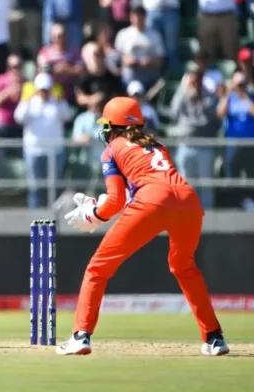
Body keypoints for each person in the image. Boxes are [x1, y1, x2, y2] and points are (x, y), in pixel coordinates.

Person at [61, 97, 227, 356]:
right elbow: (140, 186)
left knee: (97, 269)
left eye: (106, 126)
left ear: (113, 127)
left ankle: (81, 336)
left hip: (153, 202)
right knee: (183, 266)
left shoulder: (112, 148)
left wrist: (95, 214)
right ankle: (214, 338)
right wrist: (99, 209)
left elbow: (115, 201)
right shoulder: (157, 145)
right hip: (188, 201)